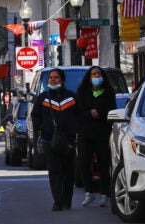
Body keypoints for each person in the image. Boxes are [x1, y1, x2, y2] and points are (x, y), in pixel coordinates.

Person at [30, 68, 80, 211]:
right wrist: (41, 128)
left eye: (56, 77)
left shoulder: (72, 97)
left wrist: (75, 129)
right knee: (54, 171)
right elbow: (35, 115)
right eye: (51, 77)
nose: (52, 79)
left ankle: (67, 200)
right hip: (49, 140)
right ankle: (57, 201)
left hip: (68, 141)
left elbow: (80, 115)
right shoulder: (43, 98)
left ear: (62, 80)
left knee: (68, 172)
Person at [77, 66, 117, 207]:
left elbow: (112, 110)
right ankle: (89, 192)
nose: (96, 76)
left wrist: (99, 113)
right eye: (94, 74)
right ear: (89, 78)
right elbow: (79, 113)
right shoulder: (82, 93)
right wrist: (89, 113)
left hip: (102, 133)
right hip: (85, 133)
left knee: (103, 163)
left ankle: (104, 194)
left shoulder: (109, 93)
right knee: (84, 161)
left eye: (99, 74)